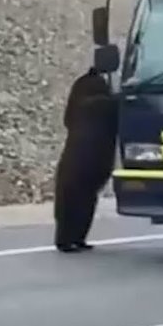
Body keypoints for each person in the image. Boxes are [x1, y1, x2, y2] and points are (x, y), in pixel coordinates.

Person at [54, 66, 118, 252]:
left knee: (70, 200)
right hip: (94, 161)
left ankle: (66, 238)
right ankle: (75, 238)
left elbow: (67, 121)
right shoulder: (108, 105)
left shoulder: (78, 103)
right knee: (86, 201)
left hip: (73, 158)